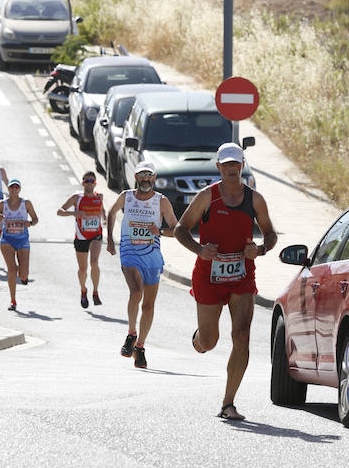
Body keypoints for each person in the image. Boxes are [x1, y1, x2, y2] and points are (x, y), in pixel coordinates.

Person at [173, 142, 277, 421]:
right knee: (210, 341)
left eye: (236, 164)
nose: (231, 169)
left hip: (242, 275)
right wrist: (199, 250)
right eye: (226, 165)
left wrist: (261, 249)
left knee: (241, 336)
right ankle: (199, 338)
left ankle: (228, 403)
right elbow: (181, 229)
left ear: (242, 166)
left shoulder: (255, 199)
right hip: (209, 274)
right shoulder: (207, 197)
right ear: (219, 167)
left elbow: (270, 234)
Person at [107, 160, 177, 369]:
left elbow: (177, 228)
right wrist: (110, 240)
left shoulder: (161, 202)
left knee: (148, 306)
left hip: (152, 257)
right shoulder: (126, 197)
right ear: (136, 177)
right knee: (136, 292)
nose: (146, 179)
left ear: (154, 178)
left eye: (149, 176)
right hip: (129, 253)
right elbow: (111, 213)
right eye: (142, 175)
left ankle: (140, 347)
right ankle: (131, 333)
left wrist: (161, 231)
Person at [57, 171, 107, 308]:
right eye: (87, 181)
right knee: (83, 268)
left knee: (94, 262)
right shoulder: (76, 198)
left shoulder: (100, 197)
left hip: (96, 235)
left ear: (95, 183)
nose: (89, 183)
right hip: (81, 237)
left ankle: (95, 292)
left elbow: (102, 210)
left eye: (92, 181)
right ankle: (83, 290)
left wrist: (104, 219)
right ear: (83, 183)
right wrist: (75, 213)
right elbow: (59, 211)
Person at [0, 179, 38, 311]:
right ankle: (13, 300)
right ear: (9, 189)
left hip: (23, 240)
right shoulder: (2, 204)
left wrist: (30, 223)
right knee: (12, 270)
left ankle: (22, 271)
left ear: (19, 189)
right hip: (7, 240)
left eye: (16, 187)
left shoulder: (26, 203)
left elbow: (35, 219)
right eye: (11, 187)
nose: (14, 189)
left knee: (23, 274)